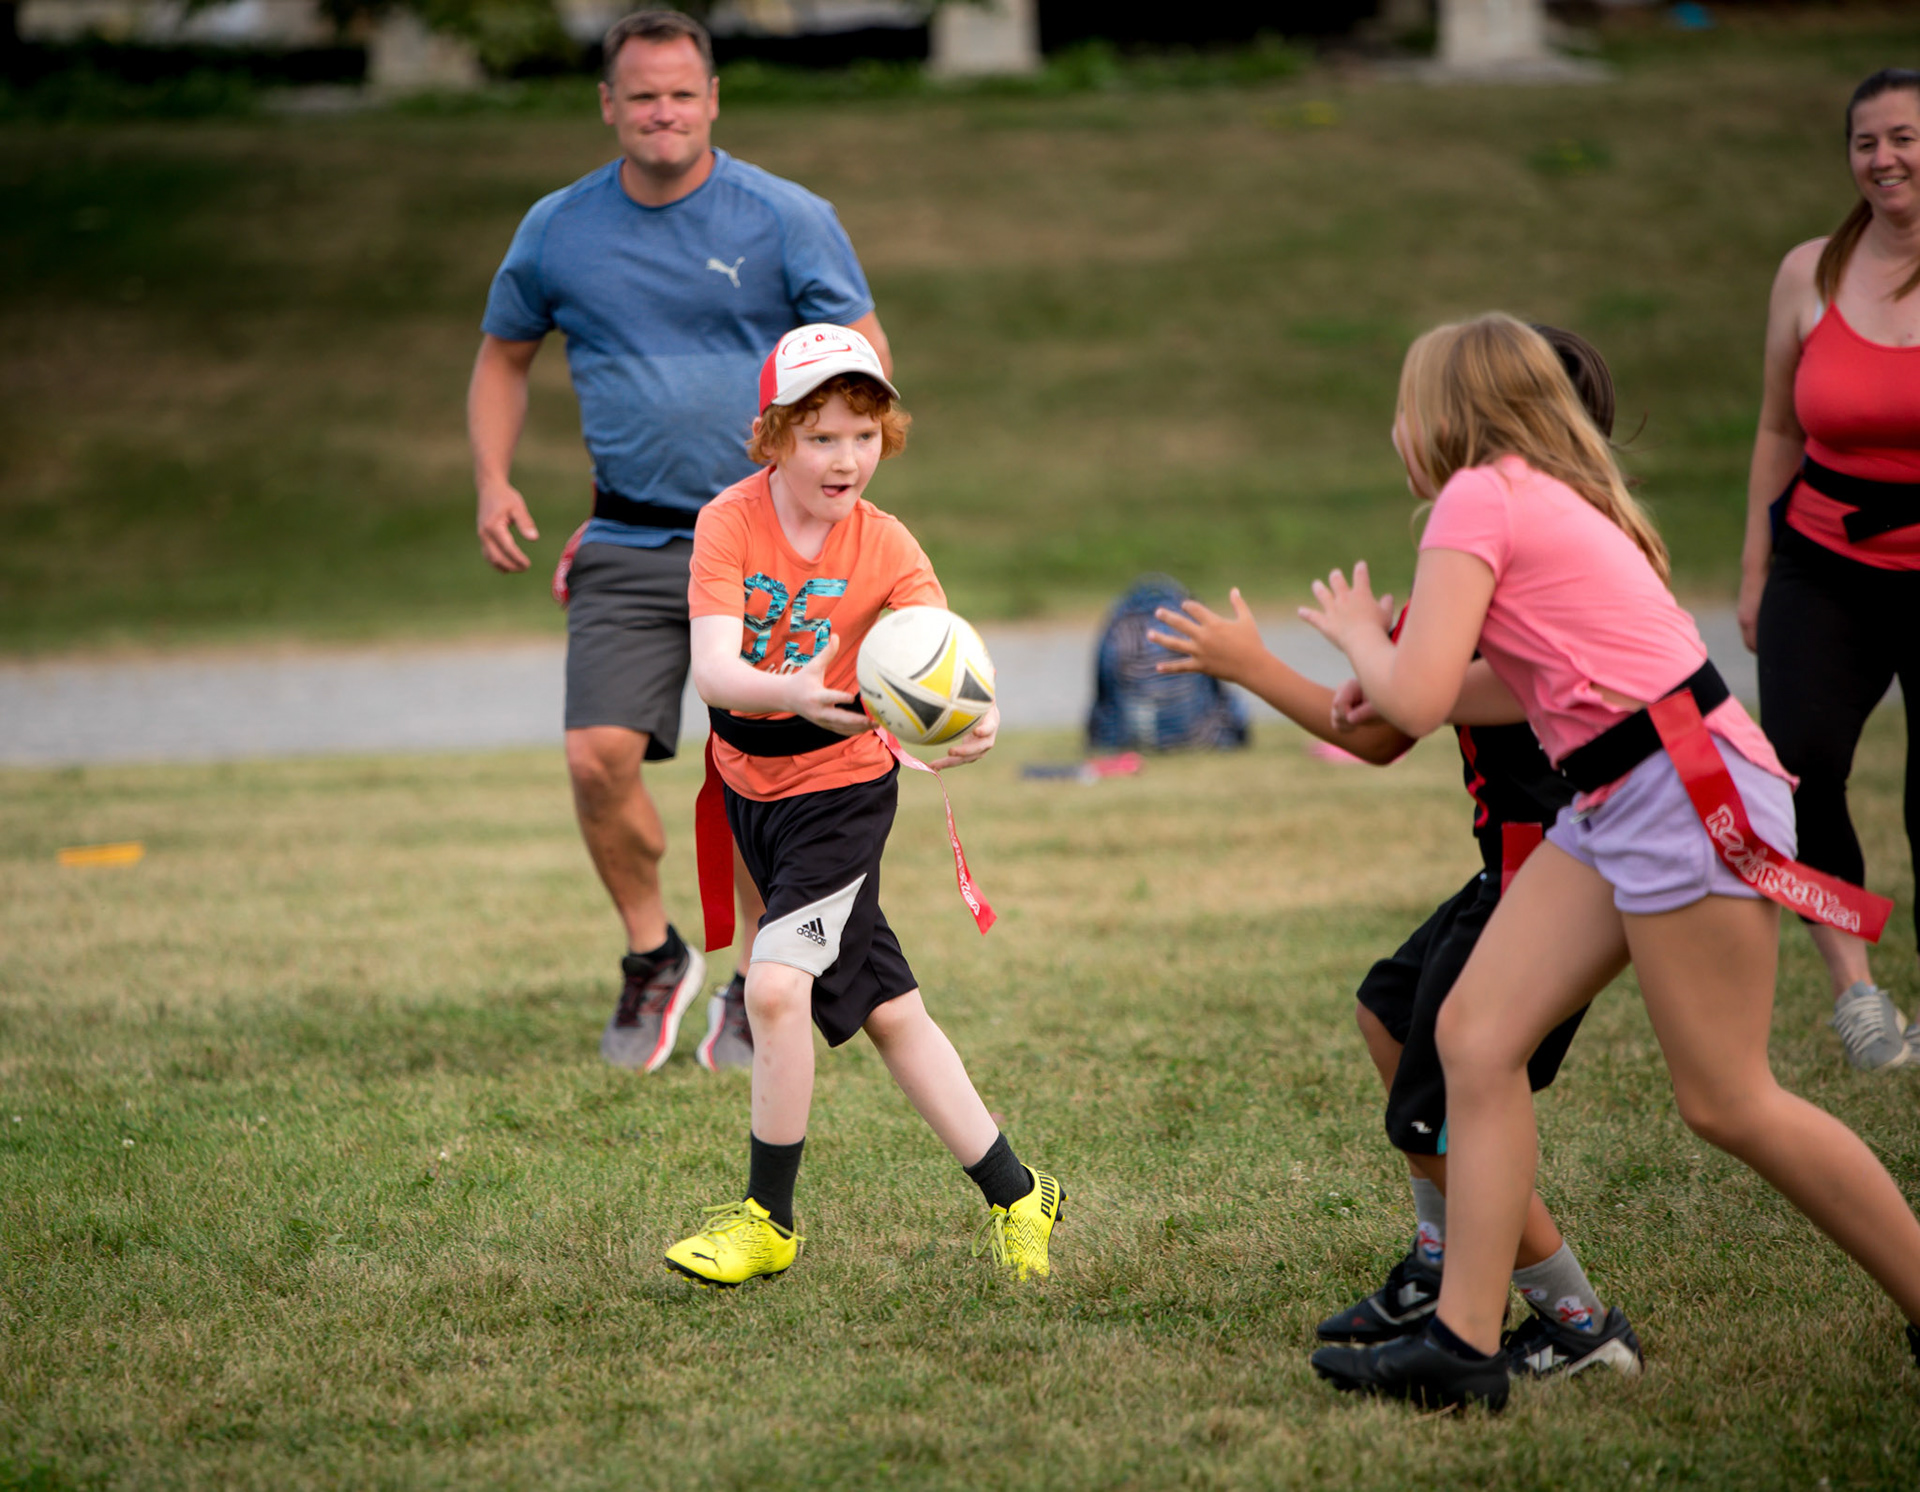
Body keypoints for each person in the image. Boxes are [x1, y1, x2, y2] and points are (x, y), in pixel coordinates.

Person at [1302, 313, 1920, 1411]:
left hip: (1684, 789)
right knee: (1475, 1035)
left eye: (1404, 405)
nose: (1397, 429)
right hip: (1629, 785)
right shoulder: (1533, 495)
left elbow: (1420, 698)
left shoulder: (1474, 496)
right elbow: (1521, 686)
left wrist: (1361, 639)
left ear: (1445, 412)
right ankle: (1463, 1343)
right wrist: (1393, 672)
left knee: (1729, 1099)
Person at [1148, 327, 1640, 1381]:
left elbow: (1377, 729)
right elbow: (1385, 715)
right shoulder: (1501, 558)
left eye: (1409, 413)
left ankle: (1572, 1319)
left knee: (1441, 1099)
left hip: (1552, 871)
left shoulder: (1523, 564)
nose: (1393, 431)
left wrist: (1258, 663)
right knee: (1387, 1007)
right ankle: (1439, 1264)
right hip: (1512, 867)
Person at [467, 8, 893, 1073]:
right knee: (595, 757)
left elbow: (863, 358)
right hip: (630, 534)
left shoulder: (788, 219)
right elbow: (504, 356)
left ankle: (757, 982)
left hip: (770, 542)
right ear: (608, 105)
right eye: (642, 94)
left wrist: (835, 489)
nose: (663, 112)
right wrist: (491, 478)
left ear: (713, 100)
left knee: (758, 774)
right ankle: (654, 953)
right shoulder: (559, 230)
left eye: (682, 93)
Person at [662, 324, 1063, 1287]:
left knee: (773, 988)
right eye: (821, 436)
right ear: (773, 439)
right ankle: (1020, 1192)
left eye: (866, 434)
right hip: (749, 785)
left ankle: (768, 1220)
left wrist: (983, 719)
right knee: (890, 1012)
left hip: (841, 794)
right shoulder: (728, 523)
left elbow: (950, 656)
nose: (847, 458)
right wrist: (788, 689)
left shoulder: (887, 544)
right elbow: (715, 668)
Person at [1737, 69, 1920, 1073]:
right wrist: (1757, 566)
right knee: (1798, 769)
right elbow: (1775, 426)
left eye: (1904, 137)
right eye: (1866, 143)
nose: (1884, 159)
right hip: (1824, 562)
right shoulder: (1808, 272)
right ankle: (1857, 995)